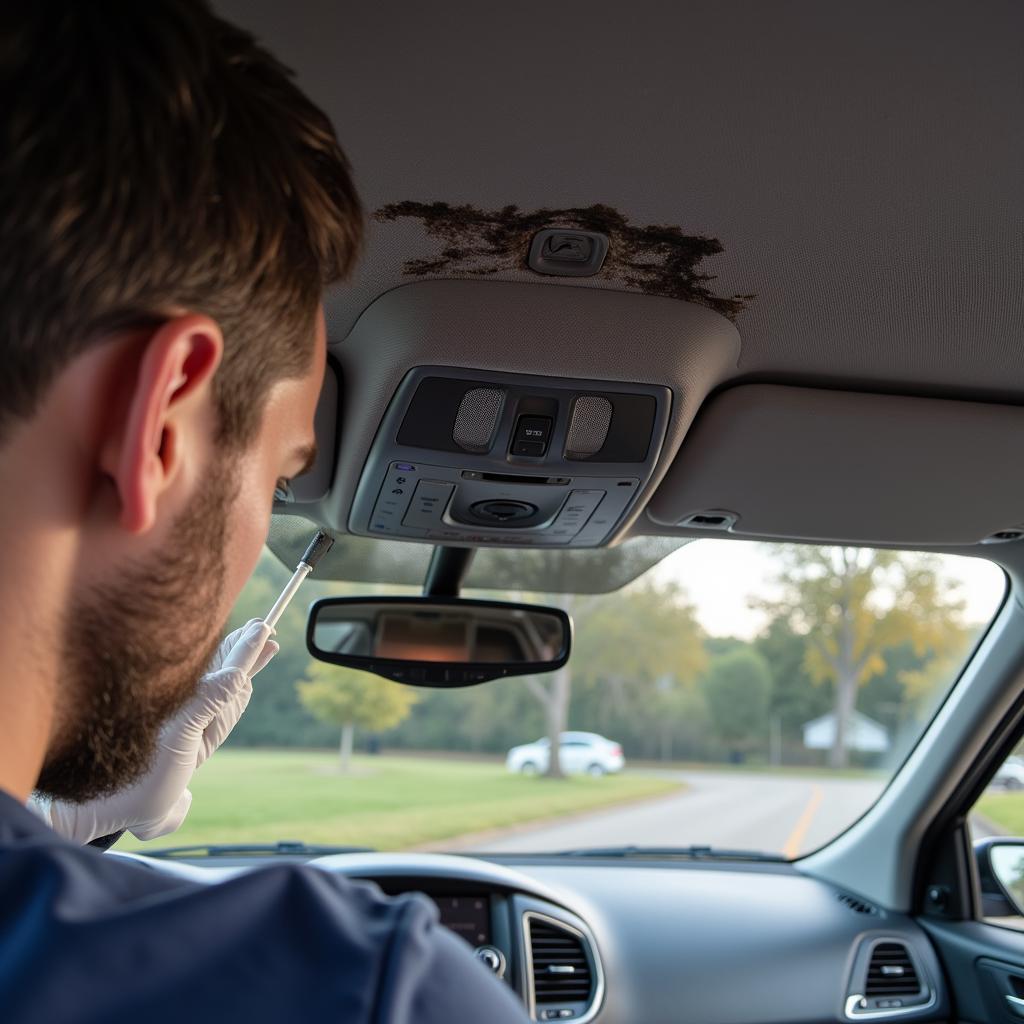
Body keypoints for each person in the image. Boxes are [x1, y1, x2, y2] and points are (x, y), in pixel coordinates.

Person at [0, 2, 529, 1021]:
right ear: (153, 421)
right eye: (281, 477)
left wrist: (59, 826)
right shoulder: (361, 994)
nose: (263, 530)